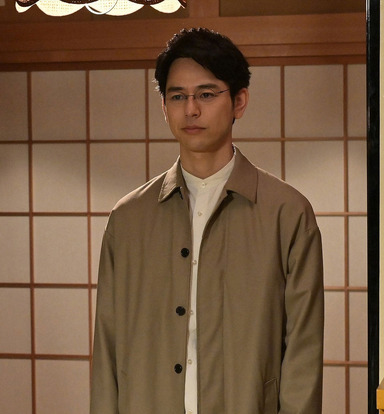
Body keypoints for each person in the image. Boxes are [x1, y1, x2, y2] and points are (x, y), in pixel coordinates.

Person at [90, 28, 324, 414]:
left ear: (239, 102)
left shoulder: (288, 213)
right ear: (164, 106)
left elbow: (303, 354)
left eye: (206, 94)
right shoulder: (128, 219)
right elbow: (107, 347)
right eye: (177, 96)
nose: (191, 110)